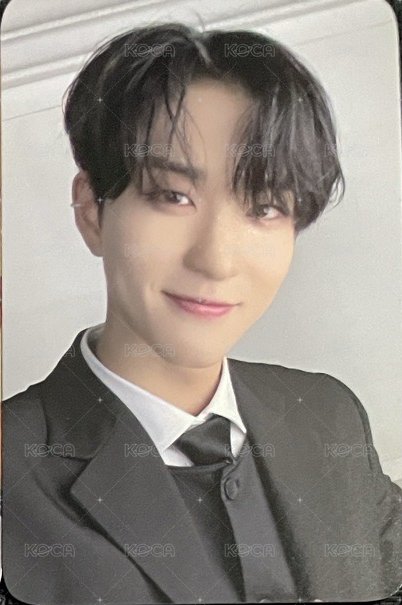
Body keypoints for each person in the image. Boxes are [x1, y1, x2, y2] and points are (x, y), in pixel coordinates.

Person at [1, 22, 402, 605]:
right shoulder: (13, 472)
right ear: (92, 211)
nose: (216, 259)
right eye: (172, 196)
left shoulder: (327, 414)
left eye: (264, 207)